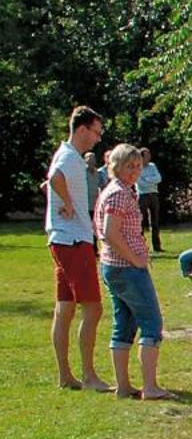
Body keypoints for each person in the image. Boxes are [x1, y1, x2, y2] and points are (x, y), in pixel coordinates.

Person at [95, 143, 172, 400]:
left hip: (113, 267)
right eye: (129, 166)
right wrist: (136, 259)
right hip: (125, 268)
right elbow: (110, 231)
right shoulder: (118, 193)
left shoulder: (117, 190)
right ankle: (149, 387)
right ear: (115, 167)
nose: (134, 171)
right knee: (151, 323)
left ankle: (124, 386)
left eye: (138, 166)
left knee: (124, 325)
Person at [46, 105, 111, 392]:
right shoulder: (71, 157)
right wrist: (69, 203)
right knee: (93, 308)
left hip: (62, 239)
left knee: (65, 309)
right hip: (73, 241)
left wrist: (62, 201)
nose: (98, 138)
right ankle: (89, 375)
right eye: (96, 132)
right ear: (82, 129)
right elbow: (54, 180)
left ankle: (65, 376)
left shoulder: (64, 155)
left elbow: (47, 184)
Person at [136, 147, 164, 253]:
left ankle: (157, 246)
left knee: (155, 222)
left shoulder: (152, 166)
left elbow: (159, 178)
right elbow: (140, 183)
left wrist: (147, 179)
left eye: (149, 155)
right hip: (142, 195)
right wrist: (151, 180)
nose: (149, 157)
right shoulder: (137, 167)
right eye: (146, 155)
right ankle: (141, 246)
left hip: (153, 195)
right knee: (141, 222)